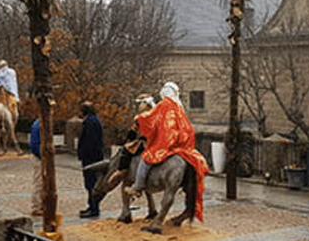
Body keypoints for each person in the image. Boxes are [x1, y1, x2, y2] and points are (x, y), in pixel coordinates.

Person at [124, 82, 210, 222]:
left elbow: (151, 118)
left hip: (167, 142)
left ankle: (138, 186)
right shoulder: (179, 106)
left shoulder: (164, 104)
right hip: (182, 143)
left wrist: (138, 119)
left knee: (146, 158)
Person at [109, 93, 155, 185]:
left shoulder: (140, 117)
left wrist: (129, 140)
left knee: (126, 149)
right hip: (157, 141)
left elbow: (132, 132)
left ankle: (122, 170)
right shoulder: (157, 114)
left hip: (146, 142)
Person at [78, 101, 105, 219]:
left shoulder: (90, 122)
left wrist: (83, 153)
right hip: (94, 156)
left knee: (91, 183)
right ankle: (92, 206)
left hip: (91, 158)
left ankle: (94, 208)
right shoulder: (93, 120)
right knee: (91, 183)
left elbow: (90, 141)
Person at [29, 118, 43, 216]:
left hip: (40, 155)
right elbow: (34, 144)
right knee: (38, 181)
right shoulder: (38, 126)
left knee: (41, 182)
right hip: (39, 157)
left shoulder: (38, 124)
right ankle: (36, 206)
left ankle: (40, 203)